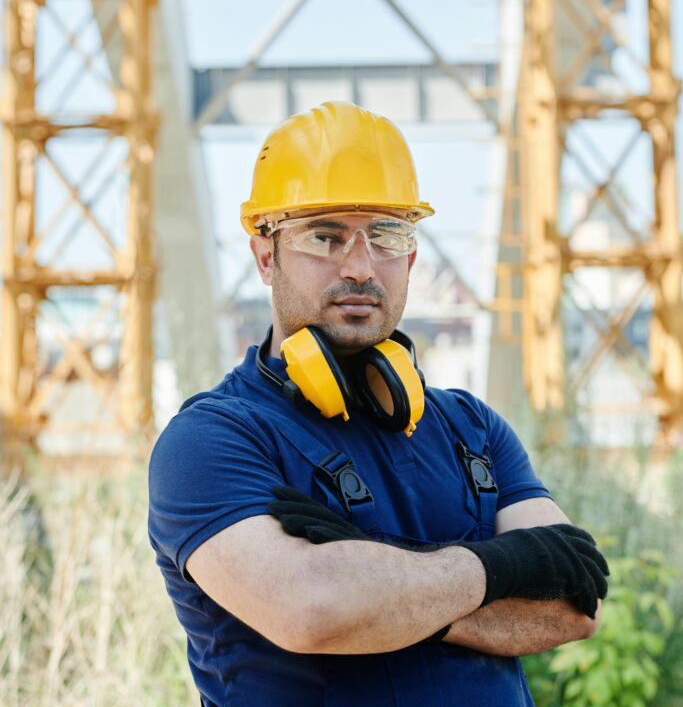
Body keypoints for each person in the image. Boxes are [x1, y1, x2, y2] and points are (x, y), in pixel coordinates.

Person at [148, 101, 608, 707]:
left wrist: (377, 582)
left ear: (411, 257)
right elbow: (312, 611)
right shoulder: (211, 440)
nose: (361, 266)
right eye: (325, 235)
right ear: (266, 256)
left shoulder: (473, 428)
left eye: (387, 235)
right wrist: (507, 567)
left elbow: (576, 605)